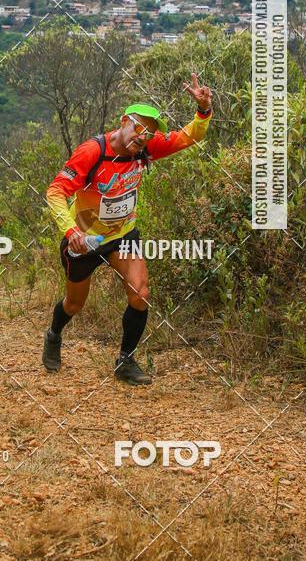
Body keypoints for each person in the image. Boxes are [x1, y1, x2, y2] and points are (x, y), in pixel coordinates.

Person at [43, 74, 213, 385]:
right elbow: (55, 192)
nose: (142, 135)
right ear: (124, 121)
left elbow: (189, 136)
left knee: (140, 293)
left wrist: (203, 110)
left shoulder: (147, 148)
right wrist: (72, 233)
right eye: (138, 126)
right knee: (75, 304)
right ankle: (54, 333)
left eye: (149, 132)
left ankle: (125, 360)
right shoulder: (92, 151)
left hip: (123, 235)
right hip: (85, 239)